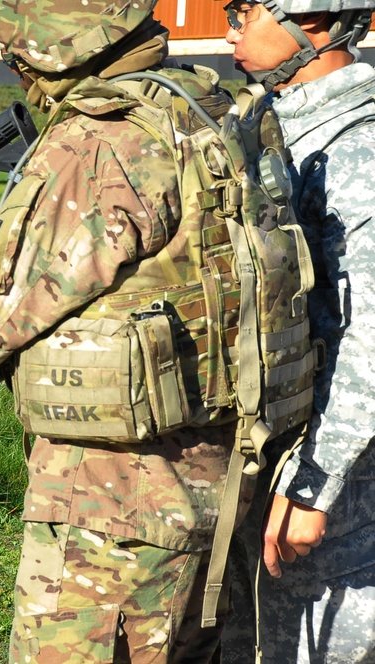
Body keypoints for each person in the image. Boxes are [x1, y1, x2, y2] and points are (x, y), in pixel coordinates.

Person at [0, 0, 305, 660]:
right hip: (221, 494)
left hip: (113, 523)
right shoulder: (211, 110)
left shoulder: (97, 146)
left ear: (50, 49)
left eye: (15, 55)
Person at [218, 1, 375, 662]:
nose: (228, 29)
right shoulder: (271, 129)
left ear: (311, 21)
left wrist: (315, 485)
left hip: (341, 494)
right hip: (273, 463)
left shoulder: (357, 146)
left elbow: (368, 333)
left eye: (243, 10)